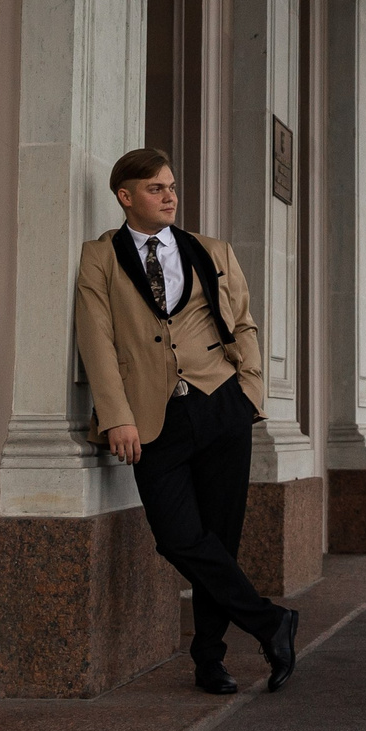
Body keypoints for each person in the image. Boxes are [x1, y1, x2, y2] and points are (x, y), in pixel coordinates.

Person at [78, 148, 299, 695]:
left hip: (220, 404)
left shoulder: (211, 250)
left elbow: (243, 323)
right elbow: (96, 340)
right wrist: (117, 417)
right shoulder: (100, 258)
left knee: (219, 538)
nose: (170, 196)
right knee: (178, 538)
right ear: (126, 196)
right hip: (153, 419)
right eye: (156, 188)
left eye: (172, 186)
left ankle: (210, 661)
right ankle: (270, 622)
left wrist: (249, 391)